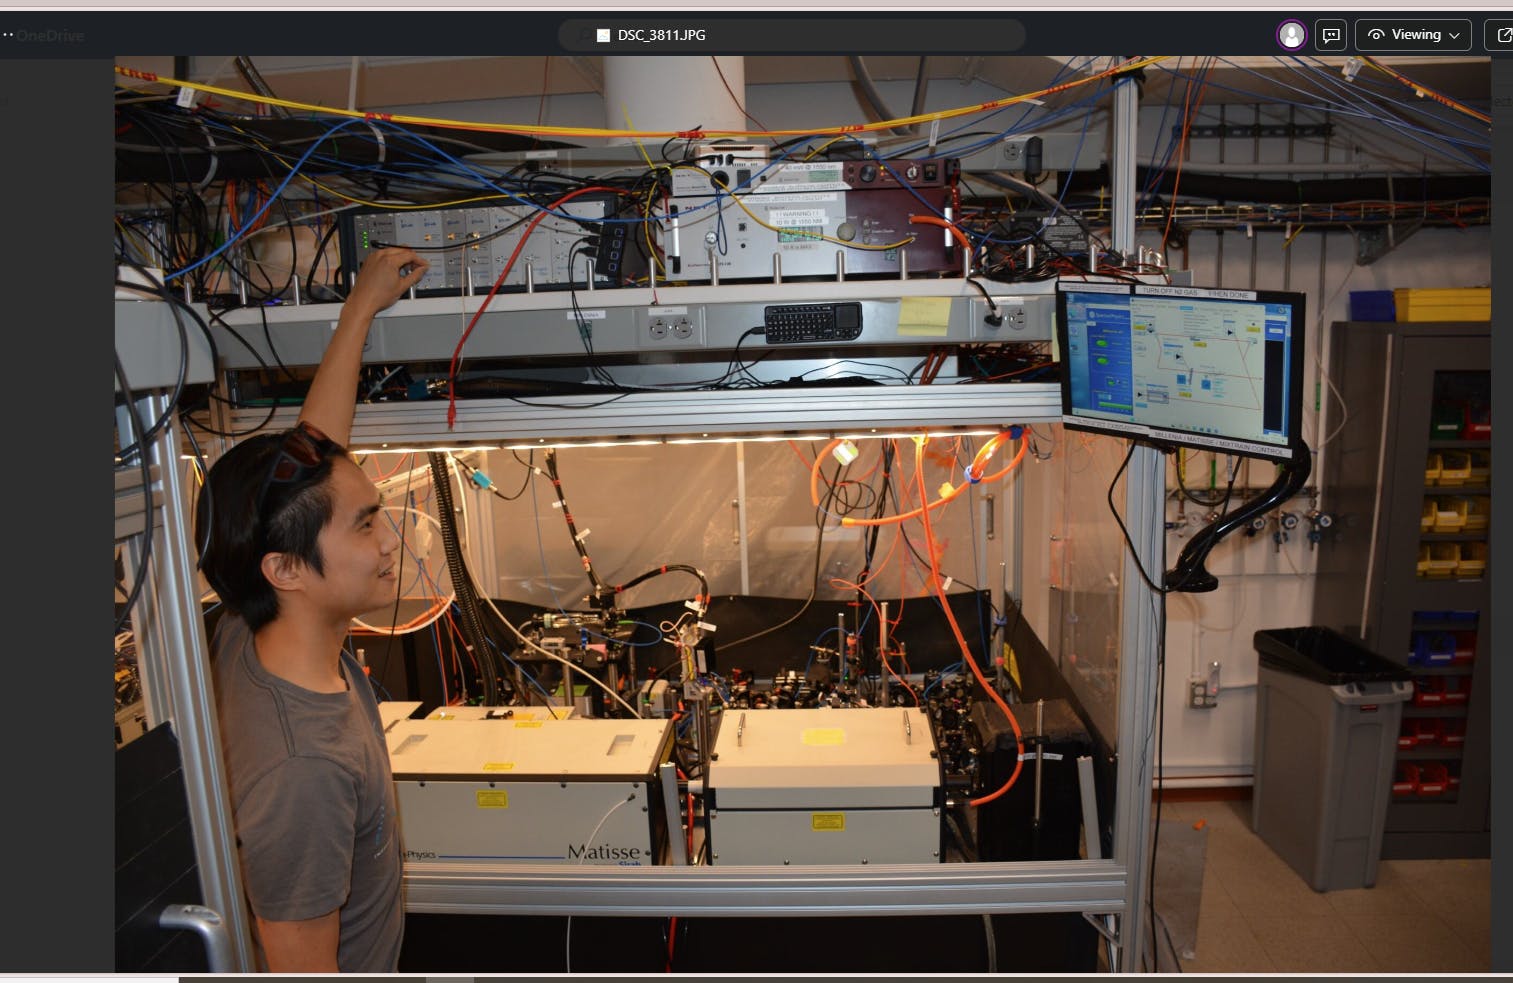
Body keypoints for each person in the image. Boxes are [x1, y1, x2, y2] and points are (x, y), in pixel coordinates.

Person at [195, 247, 429, 972]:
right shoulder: (303, 768)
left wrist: (360, 307)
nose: (388, 544)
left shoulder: (249, 620)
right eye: (365, 524)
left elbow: (316, 453)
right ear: (288, 569)